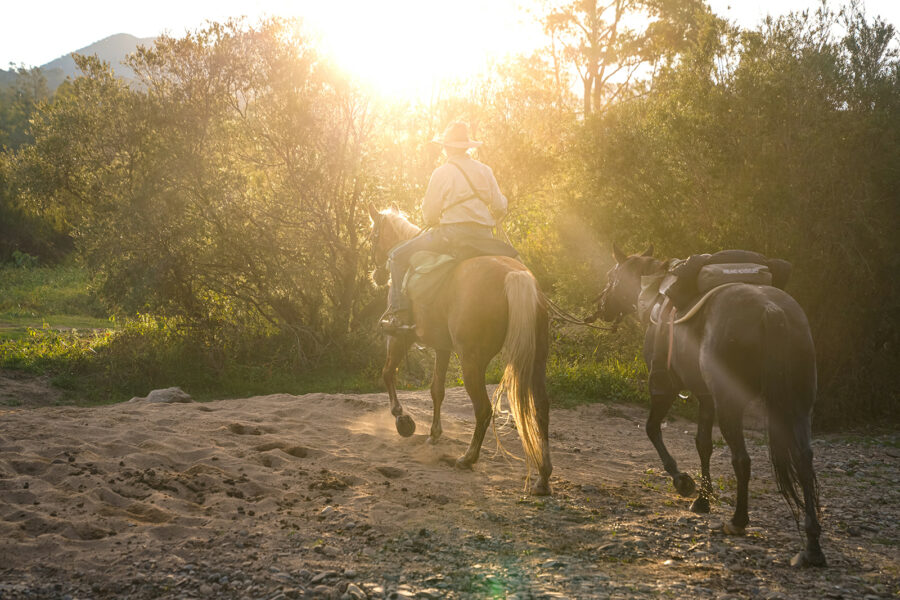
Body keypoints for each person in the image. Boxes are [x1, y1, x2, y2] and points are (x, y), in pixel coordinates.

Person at [380, 121, 508, 333]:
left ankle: (399, 316)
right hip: (486, 236)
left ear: (447, 147)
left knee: (397, 256)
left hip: (452, 236)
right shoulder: (485, 170)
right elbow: (500, 205)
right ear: (467, 147)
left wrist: (438, 217)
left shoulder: (441, 172)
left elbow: (429, 215)